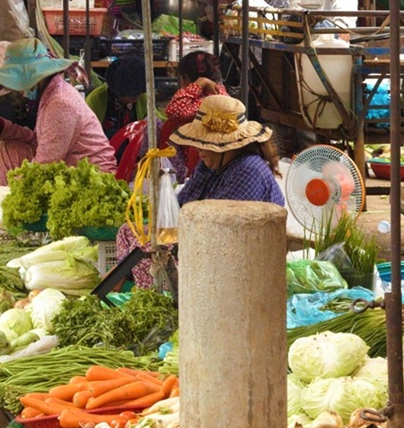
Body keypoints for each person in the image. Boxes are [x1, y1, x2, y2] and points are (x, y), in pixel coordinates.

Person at [114, 95, 283, 289]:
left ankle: (157, 297)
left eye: (203, 144)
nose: (198, 149)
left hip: (234, 262)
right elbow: (181, 206)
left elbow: (220, 232)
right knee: (128, 231)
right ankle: (122, 284)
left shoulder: (248, 171)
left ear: (225, 146)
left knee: (149, 248)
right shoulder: (209, 165)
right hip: (200, 241)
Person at [0, 38, 117, 188]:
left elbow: (45, 164)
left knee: (22, 176)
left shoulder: (60, 104)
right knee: (7, 150)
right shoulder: (49, 95)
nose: (19, 92)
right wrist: (7, 130)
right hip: (68, 163)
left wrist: (12, 189)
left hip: (91, 176)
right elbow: (39, 141)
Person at [166, 50, 228, 176]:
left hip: (202, 160)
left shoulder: (207, 98)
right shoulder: (219, 91)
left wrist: (199, 84)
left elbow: (173, 111)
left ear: (187, 79)